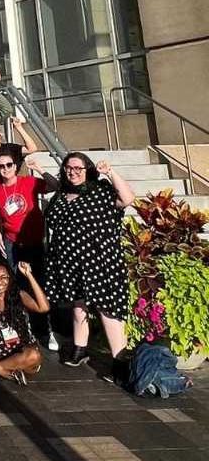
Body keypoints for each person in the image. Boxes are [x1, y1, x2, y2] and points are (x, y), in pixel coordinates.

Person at [45, 153, 135, 370]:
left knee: (106, 308)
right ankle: (79, 348)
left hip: (99, 261)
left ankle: (119, 359)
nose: (73, 172)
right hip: (70, 262)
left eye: (78, 168)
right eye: (68, 168)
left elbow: (127, 199)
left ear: (88, 169)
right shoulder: (61, 195)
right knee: (78, 306)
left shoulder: (100, 189)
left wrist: (111, 172)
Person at [0, 153, 58, 349]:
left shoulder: (29, 181)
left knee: (39, 285)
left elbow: (54, 186)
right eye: (1, 165)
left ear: (16, 166)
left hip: (34, 242)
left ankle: (46, 330)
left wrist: (40, 169)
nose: (5, 168)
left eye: (9, 164)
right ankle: (22, 328)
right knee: (16, 287)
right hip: (12, 243)